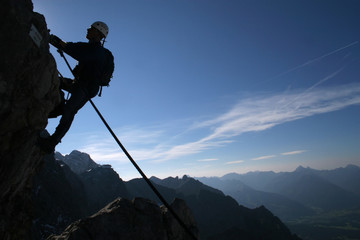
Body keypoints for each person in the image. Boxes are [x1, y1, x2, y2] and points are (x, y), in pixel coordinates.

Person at [38, 21, 114, 153]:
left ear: (98, 33)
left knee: (70, 110)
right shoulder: (91, 48)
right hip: (81, 84)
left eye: (91, 28)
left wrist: (56, 42)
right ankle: (58, 108)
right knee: (56, 82)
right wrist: (55, 41)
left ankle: (52, 141)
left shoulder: (98, 51)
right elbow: (72, 47)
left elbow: (77, 51)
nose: (88, 30)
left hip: (87, 87)